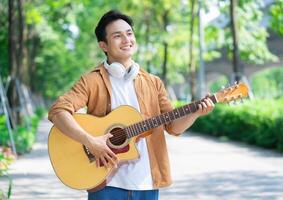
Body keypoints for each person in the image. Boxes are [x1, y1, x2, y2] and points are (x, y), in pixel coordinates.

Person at [48, 10, 214, 200]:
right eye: (117, 36)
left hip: (147, 183)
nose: (126, 39)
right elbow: (58, 111)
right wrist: (90, 141)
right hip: (105, 183)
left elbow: (173, 127)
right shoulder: (91, 81)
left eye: (129, 33)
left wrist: (194, 113)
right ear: (104, 45)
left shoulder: (153, 82)